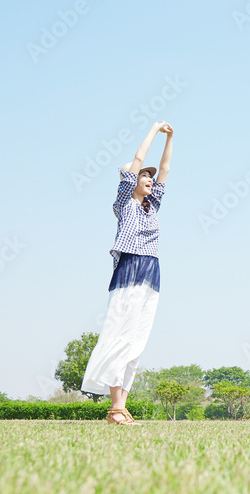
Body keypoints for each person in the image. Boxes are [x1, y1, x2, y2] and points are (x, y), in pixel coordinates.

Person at [81, 120, 173, 425]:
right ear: (129, 181)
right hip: (130, 268)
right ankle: (115, 407)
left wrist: (170, 139)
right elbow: (136, 164)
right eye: (143, 176)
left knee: (136, 341)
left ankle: (120, 407)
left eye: (149, 177)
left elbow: (166, 171)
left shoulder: (152, 206)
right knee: (119, 336)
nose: (149, 178)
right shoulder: (124, 204)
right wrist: (153, 131)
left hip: (152, 270)